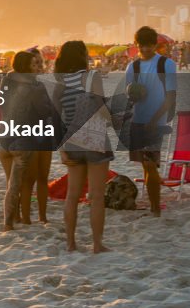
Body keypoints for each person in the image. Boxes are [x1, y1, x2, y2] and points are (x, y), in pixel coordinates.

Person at [53, 41, 114, 253]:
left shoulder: (60, 83)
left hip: (71, 140)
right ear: (81, 56)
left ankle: (71, 243)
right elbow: (102, 109)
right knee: (96, 196)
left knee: (72, 194)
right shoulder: (92, 77)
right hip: (95, 138)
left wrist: (61, 147)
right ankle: (97, 244)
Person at [0, 50, 60, 230]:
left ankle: (17, 218)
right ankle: (10, 223)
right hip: (24, 139)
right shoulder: (35, 86)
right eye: (34, 64)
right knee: (18, 184)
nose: (37, 67)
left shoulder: (6, 81)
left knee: (11, 182)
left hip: (4, 138)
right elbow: (44, 110)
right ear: (26, 67)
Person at [124, 26, 177, 217]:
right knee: (145, 165)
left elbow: (170, 96)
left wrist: (155, 120)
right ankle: (153, 204)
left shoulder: (166, 64)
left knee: (150, 163)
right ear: (136, 45)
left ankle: (155, 208)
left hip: (156, 122)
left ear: (155, 44)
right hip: (137, 121)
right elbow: (129, 95)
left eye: (149, 45)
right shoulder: (133, 67)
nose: (145, 49)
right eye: (141, 45)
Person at [22, 47, 53, 223]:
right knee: (28, 180)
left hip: (44, 133)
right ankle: (25, 218)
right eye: (35, 63)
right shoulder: (23, 84)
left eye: (40, 63)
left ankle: (42, 216)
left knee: (43, 177)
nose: (39, 66)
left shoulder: (42, 83)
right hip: (29, 135)